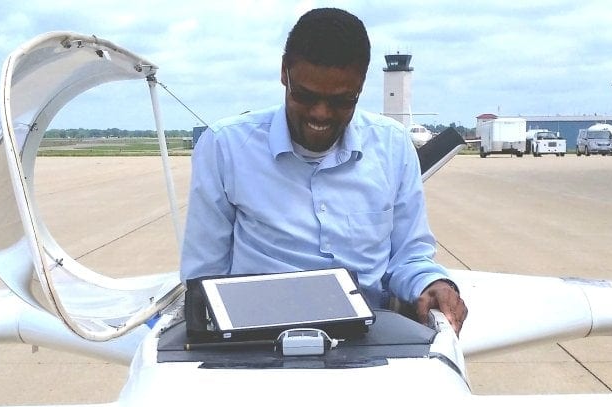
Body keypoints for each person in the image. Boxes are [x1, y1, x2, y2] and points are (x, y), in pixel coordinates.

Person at [180, 7, 467, 333]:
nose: (320, 114)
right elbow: (204, 275)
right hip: (255, 339)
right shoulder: (225, 146)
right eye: (305, 95)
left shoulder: (392, 145)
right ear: (284, 72)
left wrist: (433, 283)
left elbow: (408, 256)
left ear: (361, 84)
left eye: (343, 101)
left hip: (368, 336)